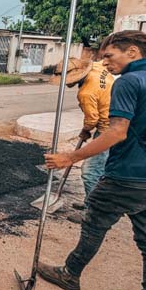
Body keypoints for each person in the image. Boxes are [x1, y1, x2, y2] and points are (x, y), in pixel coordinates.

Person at [40, 30, 146, 290]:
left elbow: (117, 132)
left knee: (94, 223)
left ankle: (70, 274)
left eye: (109, 56)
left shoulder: (130, 82)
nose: (104, 63)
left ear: (132, 51)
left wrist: (71, 157)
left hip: (127, 176)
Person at [51, 57, 113, 207]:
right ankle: (90, 202)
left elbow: (92, 120)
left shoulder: (86, 93)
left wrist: (85, 131)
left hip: (109, 130)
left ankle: (92, 210)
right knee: (102, 169)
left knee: (90, 171)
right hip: (120, 121)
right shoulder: (98, 67)